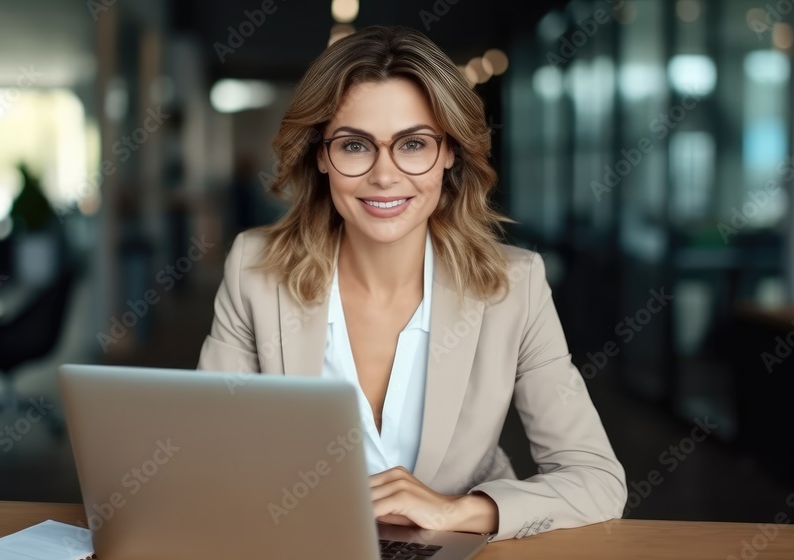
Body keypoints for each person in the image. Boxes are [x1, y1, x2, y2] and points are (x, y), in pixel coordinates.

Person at [196, 25, 626, 542]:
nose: (384, 175)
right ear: (320, 155)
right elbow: (207, 457)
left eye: (414, 144)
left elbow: (597, 481)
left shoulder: (515, 285)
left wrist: (453, 511)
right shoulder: (255, 269)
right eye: (356, 146)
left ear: (449, 154)